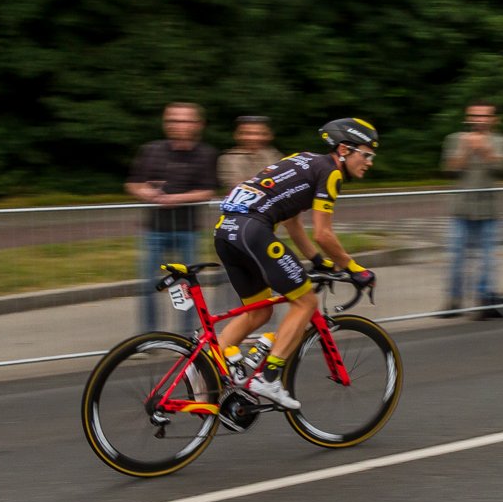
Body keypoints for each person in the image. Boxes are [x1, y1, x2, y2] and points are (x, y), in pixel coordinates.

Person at [211, 118, 378, 408]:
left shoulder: (302, 160)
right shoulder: (331, 173)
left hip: (225, 232)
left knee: (258, 313)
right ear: (343, 149)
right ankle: (268, 378)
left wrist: (317, 261)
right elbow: (324, 234)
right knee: (305, 303)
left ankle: (201, 368)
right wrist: (356, 270)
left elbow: (291, 222)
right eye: (366, 154)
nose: (369, 162)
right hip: (253, 232)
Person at [126, 102, 219, 334]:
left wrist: (177, 198)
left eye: (184, 120)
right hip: (154, 229)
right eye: (172, 120)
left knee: (186, 286)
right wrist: (144, 192)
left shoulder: (206, 153)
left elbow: (208, 191)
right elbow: (132, 183)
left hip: (188, 230)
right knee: (149, 284)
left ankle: (187, 336)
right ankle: (149, 336)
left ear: (198, 124)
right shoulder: (151, 150)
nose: (177, 125)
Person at [441, 101, 503, 314]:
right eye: (474, 116)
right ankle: (453, 301)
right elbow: (449, 170)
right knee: (456, 257)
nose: (478, 120)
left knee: (487, 260)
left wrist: (486, 150)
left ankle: (483, 301)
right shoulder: (454, 139)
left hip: (490, 210)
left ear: (494, 120)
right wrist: (464, 149)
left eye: (484, 116)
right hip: (461, 209)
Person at [218, 116, 283, 195]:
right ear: (236, 135)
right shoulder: (227, 159)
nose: (253, 138)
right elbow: (236, 186)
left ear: (269, 135)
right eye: (247, 133)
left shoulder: (277, 157)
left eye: (259, 134)